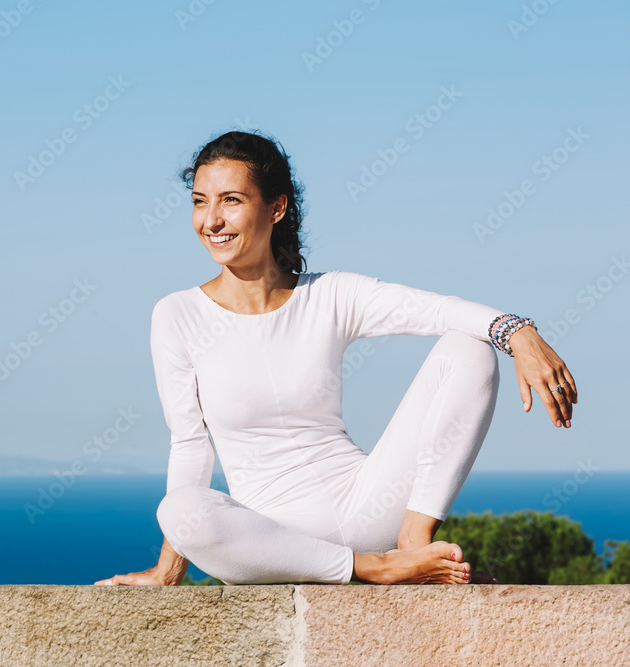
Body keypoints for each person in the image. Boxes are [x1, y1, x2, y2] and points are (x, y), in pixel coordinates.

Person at [95, 130, 578, 587]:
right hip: (272, 540)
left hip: (368, 506)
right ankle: (375, 568)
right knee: (179, 510)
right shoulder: (178, 314)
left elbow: (437, 309)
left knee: (469, 347)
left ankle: (413, 543)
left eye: (232, 200)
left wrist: (521, 334)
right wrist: (168, 570)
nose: (211, 220)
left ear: (276, 207)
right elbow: (190, 445)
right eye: (200, 201)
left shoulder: (329, 294)